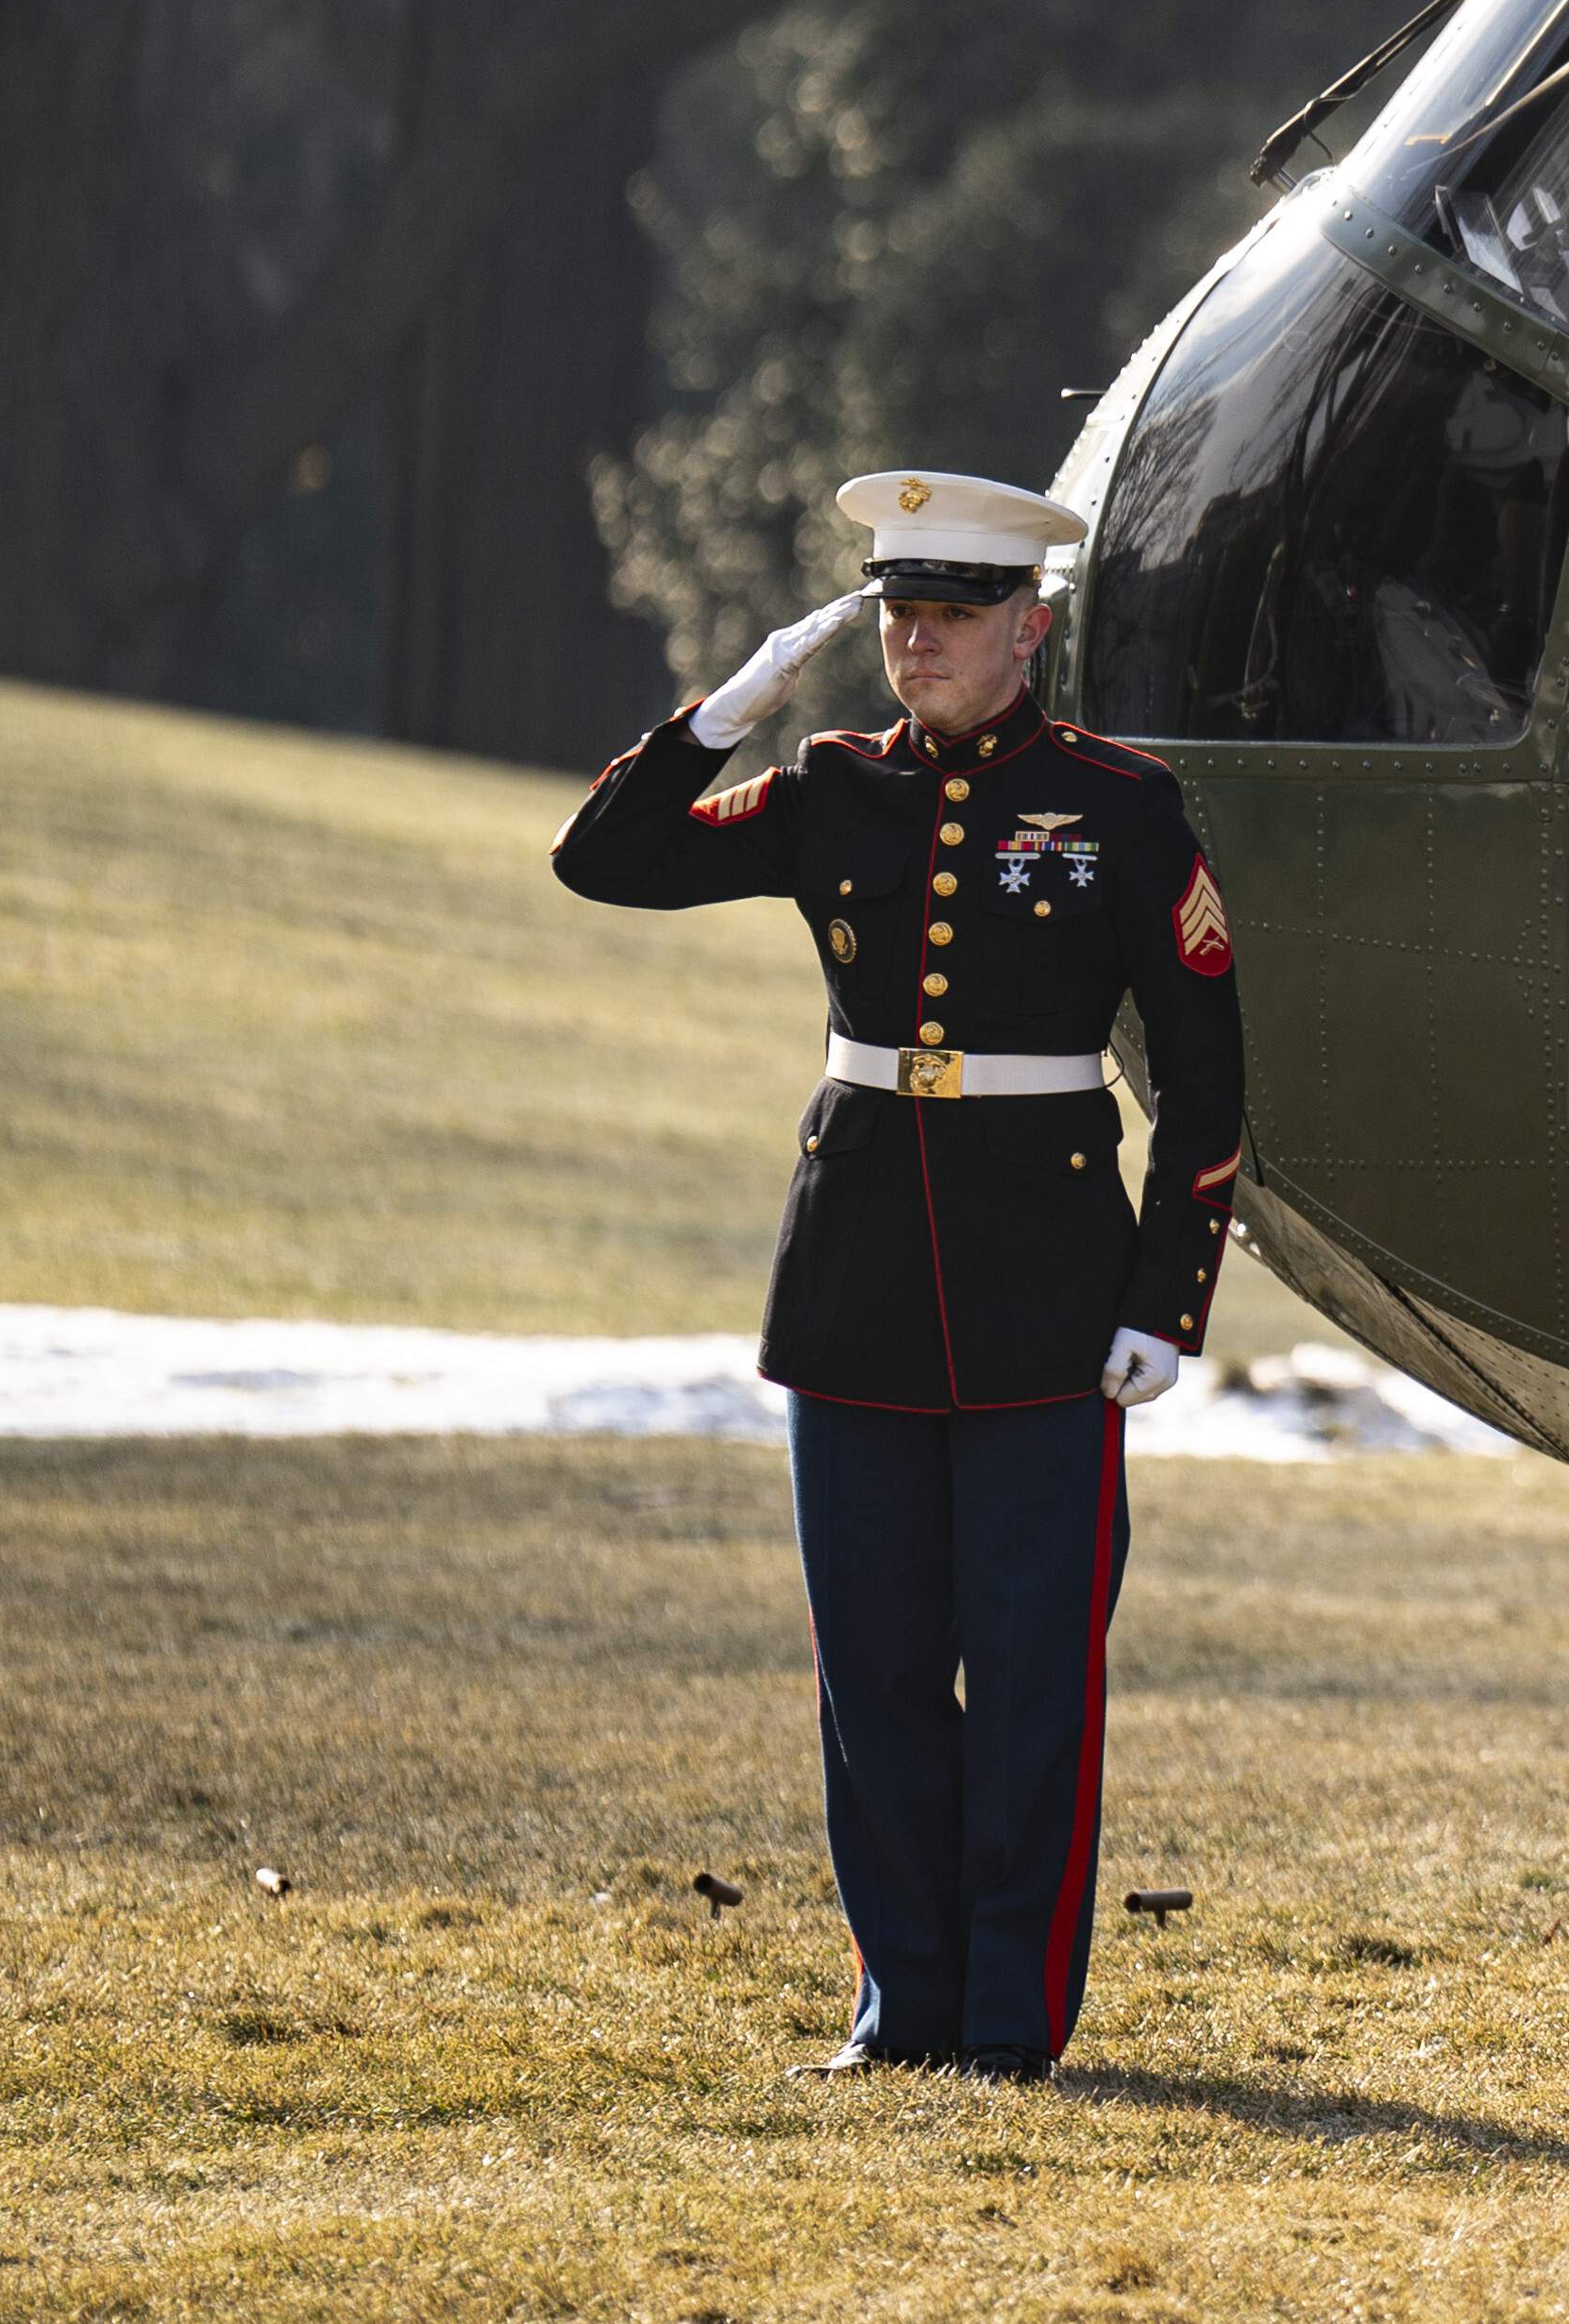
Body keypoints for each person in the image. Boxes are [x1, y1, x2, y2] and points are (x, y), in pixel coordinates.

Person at [550, 470, 1245, 2083]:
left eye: (947, 615)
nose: (913, 642)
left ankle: (1007, 2023)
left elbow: (1208, 1084)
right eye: (894, 613)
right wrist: (725, 709)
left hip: (1048, 1291)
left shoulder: (1120, 805)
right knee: (868, 1669)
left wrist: (1166, 1299)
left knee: (1024, 1678)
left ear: (1030, 625)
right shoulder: (829, 786)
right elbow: (608, 858)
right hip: (857, 1273)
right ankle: (900, 2007)